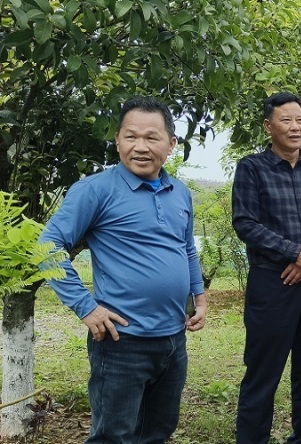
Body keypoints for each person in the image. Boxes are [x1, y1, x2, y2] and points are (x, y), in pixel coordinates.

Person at [40, 97, 207, 443]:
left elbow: (186, 248)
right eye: (131, 137)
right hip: (121, 343)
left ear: (171, 144)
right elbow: (47, 248)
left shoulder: (181, 193)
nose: (141, 147)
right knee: (113, 436)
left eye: (152, 137)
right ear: (117, 141)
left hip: (173, 341)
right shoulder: (95, 190)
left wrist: (199, 297)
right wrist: (85, 307)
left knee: (158, 432)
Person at [232, 91, 301, 444]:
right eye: (286, 120)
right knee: (263, 372)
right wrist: (294, 252)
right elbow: (245, 223)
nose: (295, 127)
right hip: (272, 283)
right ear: (269, 126)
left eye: (300, 120)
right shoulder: (252, 168)